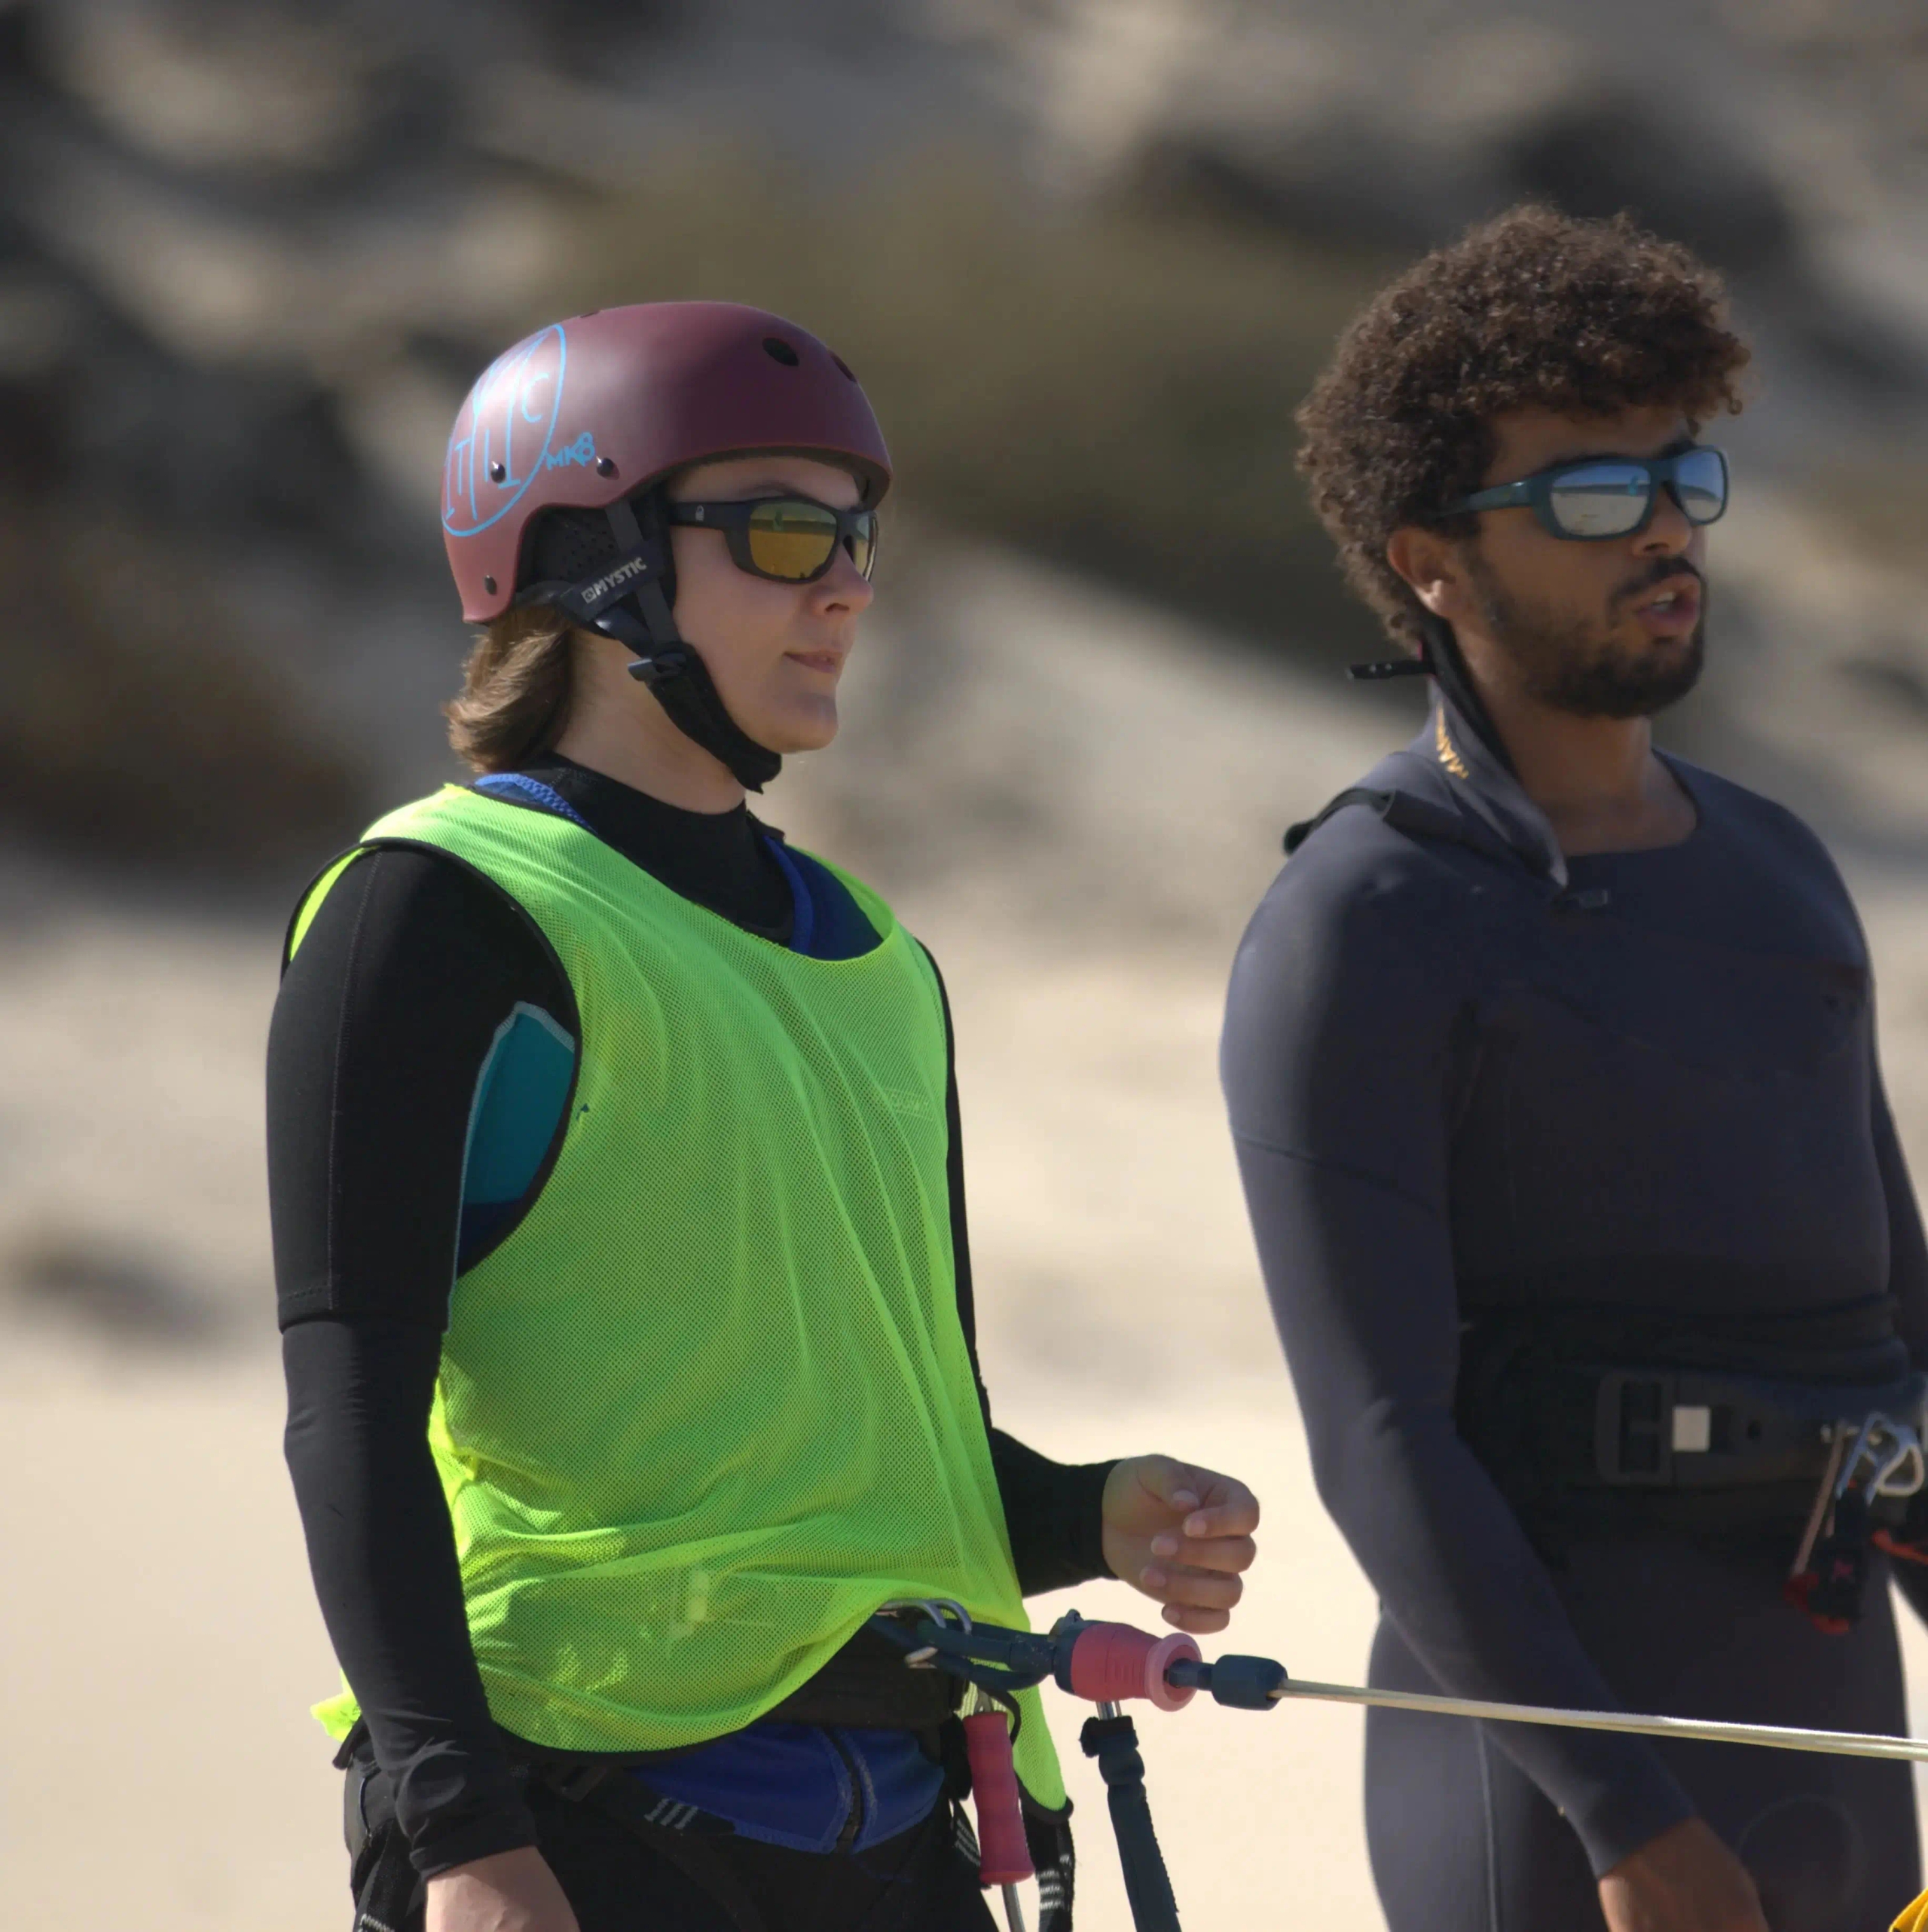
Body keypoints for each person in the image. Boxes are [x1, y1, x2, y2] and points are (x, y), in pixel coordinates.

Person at [1219, 209, 1928, 1932]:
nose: (1663, 531)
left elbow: (1914, 1365)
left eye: (1682, 478)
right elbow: (1379, 1438)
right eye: (1591, 493)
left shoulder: (1778, 871)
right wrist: (1623, 1818)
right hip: (1553, 1806)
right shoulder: (1366, 920)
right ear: (1432, 557)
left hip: (1833, 1749)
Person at [270, 301, 1260, 1932]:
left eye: (861, 534)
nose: (850, 584)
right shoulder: (432, 916)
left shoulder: (877, 958)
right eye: (787, 532)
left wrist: (1089, 1512)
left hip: (924, 1835)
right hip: (584, 1830)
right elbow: (350, 1416)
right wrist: (461, 1839)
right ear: (593, 559)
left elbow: (873, 1465)